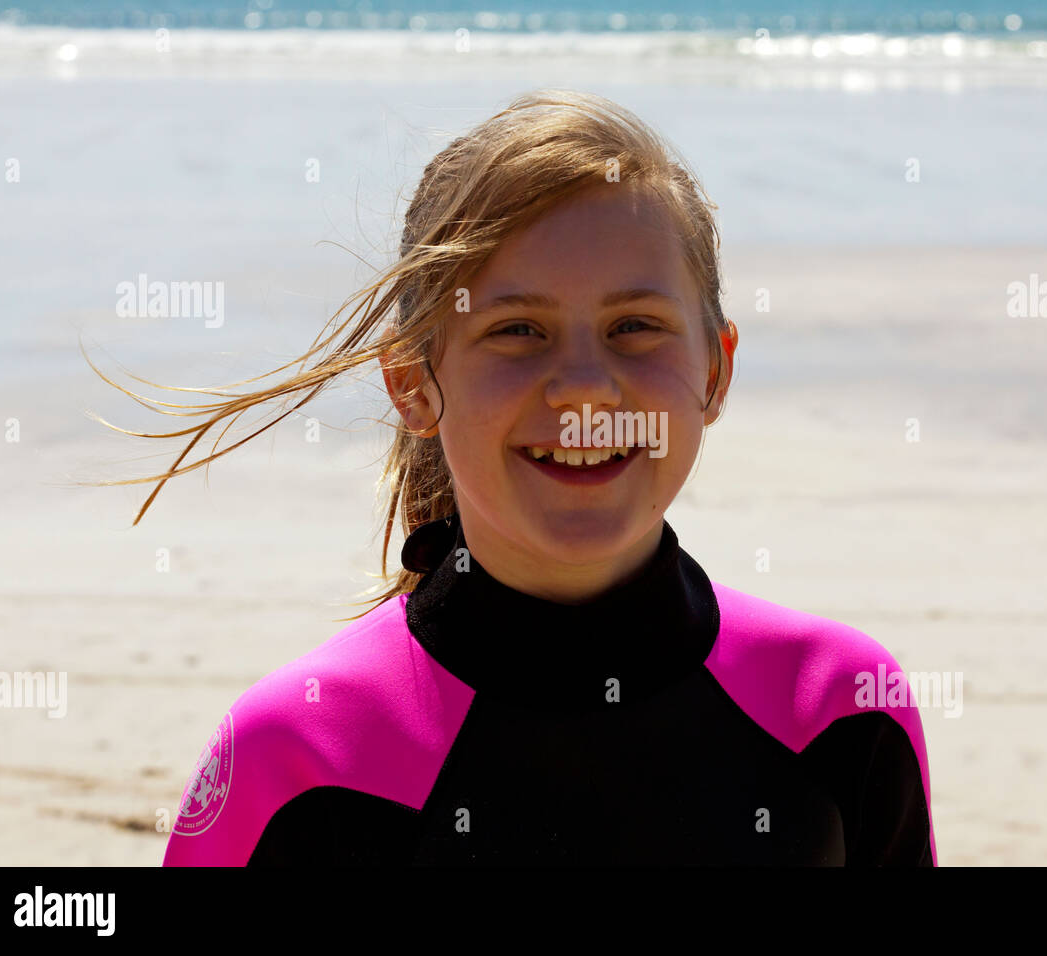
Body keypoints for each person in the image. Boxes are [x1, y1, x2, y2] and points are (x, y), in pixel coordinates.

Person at [125, 89, 935, 865]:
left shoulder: (837, 711)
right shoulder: (299, 755)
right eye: (518, 330)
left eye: (634, 327)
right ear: (411, 381)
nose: (584, 385)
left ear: (715, 374)